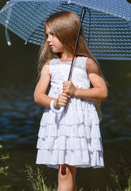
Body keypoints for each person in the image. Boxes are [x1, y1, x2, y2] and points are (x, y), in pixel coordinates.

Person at [34, 11, 108, 191]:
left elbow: (102, 91)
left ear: (67, 34)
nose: (48, 39)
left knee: (65, 171)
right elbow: (38, 96)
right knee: (66, 170)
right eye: (47, 35)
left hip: (77, 122)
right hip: (58, 122)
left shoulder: (86, 63)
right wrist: (55, 102)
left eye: (53, 34)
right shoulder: (50, 66)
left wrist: (76, 91)